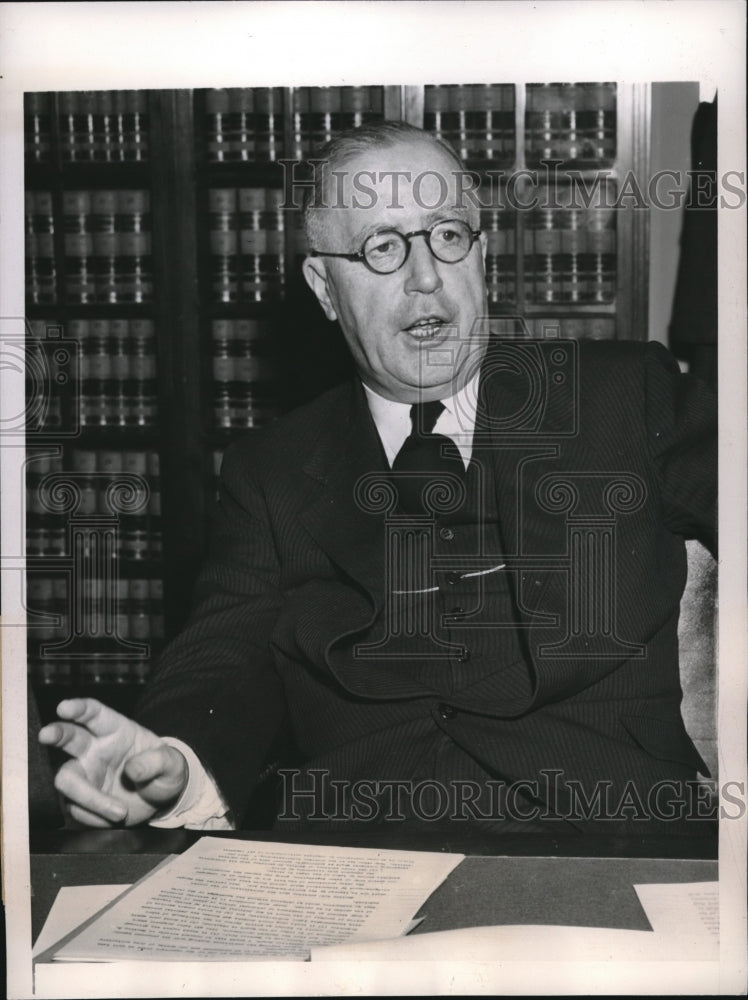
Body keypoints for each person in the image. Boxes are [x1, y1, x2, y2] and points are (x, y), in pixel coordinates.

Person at [40, 121, 717, 837]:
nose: (426, 277)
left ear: (481, 253)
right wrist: (171, 761)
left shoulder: (623, 396)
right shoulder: (270, 471)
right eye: (382, 247)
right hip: (356, 859)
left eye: (449, 236)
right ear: (325, 288)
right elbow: (220, 655)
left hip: (607, 844)